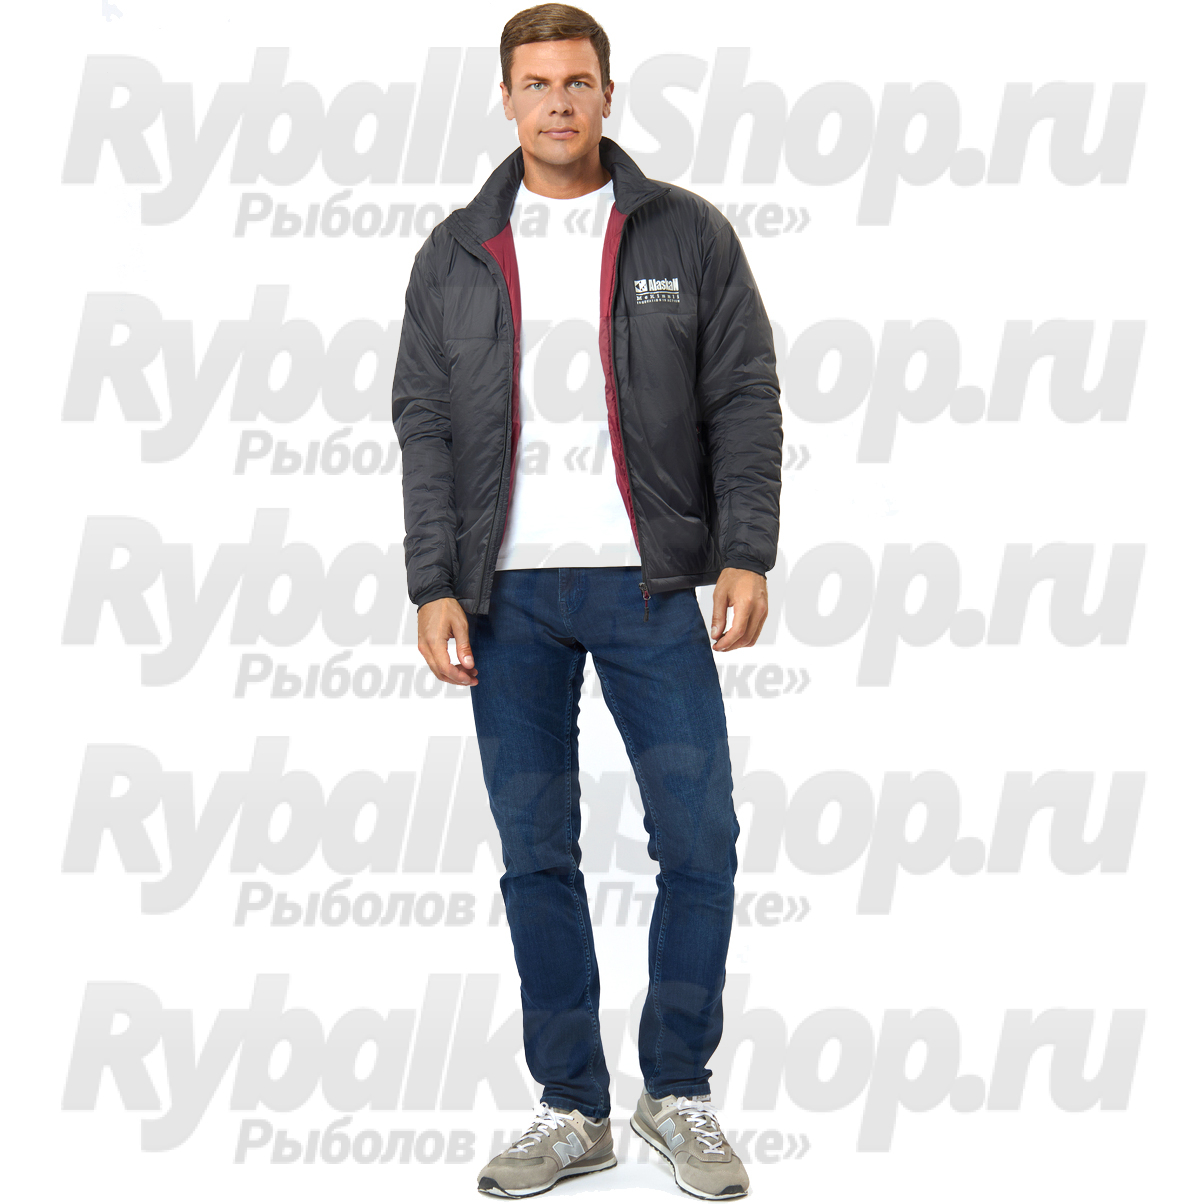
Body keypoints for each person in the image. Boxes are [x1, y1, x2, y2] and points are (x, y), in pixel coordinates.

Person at [391, 5, 783, 1197]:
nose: (557, 101)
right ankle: (572, 1108)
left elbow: (743, 393)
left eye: (576, 81)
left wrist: (745, 550)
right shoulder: (457, 250)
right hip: (503, 593)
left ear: (608, 93)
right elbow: (425, 423)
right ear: (506, 98)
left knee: (699, 838)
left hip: (649, 581)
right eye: (535, 83)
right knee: (535, 853)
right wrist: (432, 581)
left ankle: (677, 1090)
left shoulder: (683, 231)